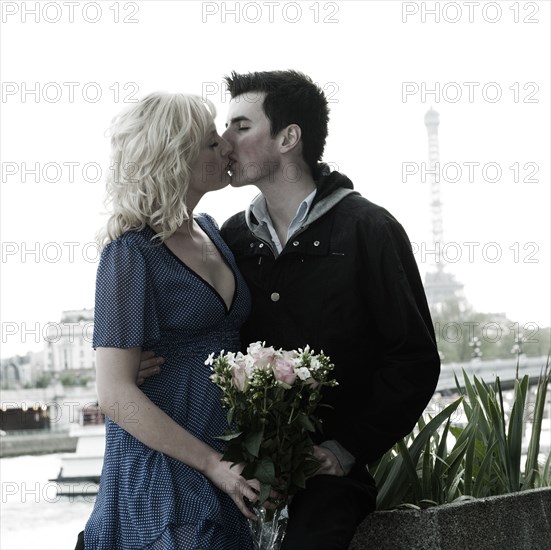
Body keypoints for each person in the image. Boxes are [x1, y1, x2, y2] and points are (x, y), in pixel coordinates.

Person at [141, 71, 441, 549]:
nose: (223, 141)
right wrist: (143, 357)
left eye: (241, 126)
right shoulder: (229, 238)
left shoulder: (369, 231)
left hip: (326, 479)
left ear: (288, 138)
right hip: (235, 470)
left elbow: (414, 359)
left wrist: (346, 449)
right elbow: (202, 325)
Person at [77, 92, 259, 550]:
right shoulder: (131, 252)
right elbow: (115, 393)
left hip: (225, 457)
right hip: (168, 470)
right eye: (209, 142)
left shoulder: (214, 231)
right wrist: (212, 464)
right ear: (173, 157)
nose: (224, 147)